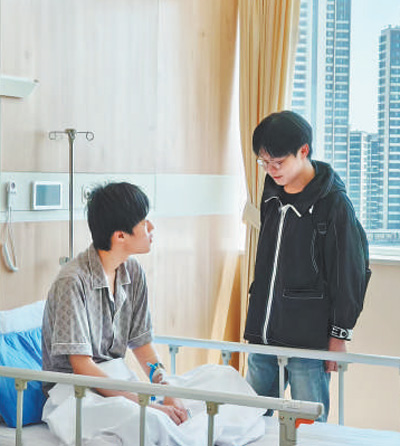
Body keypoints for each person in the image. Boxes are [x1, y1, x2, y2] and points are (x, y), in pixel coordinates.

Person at [244, 110, 370, 422]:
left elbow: (350, 273)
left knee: (310, 428)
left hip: (308, 341)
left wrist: (339, 335)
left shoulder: (334, 204)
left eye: (278, 162)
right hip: (263, 335)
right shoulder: (271, 191)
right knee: (249, 421)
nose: (270, 170)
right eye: (264, 162)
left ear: (304, 151)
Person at [41, 181, 188, 426]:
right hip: (75, 392)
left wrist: (165, 388)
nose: (151, 227)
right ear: (120, 235)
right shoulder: (72, 282)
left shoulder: (133, 272)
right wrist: (147, 405)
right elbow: (82, 366)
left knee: (218, 381)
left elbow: (141, 343)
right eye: (143, 222)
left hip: (115, 381)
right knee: (152, 423)